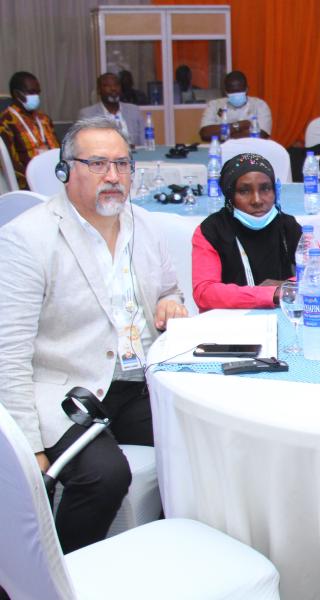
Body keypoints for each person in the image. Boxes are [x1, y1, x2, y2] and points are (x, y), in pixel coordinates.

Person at [0, 117, 188, 553]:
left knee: (198, 439)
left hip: (135, 381)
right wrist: (28, 447)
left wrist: (169, 303)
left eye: (122, 164)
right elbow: (8, 352)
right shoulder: (26, 239)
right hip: (65, 387)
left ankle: (165, 548)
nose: (113, 176)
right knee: (104, 475)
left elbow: (170, 290)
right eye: (98, 163)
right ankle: (59, 572)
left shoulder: (144, 224)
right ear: (66, 170)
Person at [191, 152, 320, 311]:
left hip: (283, 317)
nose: (257, 200)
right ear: (230, 196)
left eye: (265, 189)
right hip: (230, 320)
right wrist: (272, 293)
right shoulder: (212, 230)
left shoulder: (286, 225)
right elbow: (204, 293)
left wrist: (287, 287)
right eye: (244, 191)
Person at [0, 71, 59, 189]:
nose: (36, 96)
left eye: (38, 92)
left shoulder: (44, 118)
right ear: (17, 94)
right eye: (31, 92)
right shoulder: (6, 122)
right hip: (29, 183)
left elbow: (59, 149)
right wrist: (36, 177)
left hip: (56, 176)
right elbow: (8, 164)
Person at [199, 71, 272, 141]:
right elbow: (205, 134)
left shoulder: (259, 105)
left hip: (252, 148)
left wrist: (223, 132)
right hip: (222, 148)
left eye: (239, 91)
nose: (236, 94)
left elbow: (261, 135)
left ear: (247, 89)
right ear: (226, 91)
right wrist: (239, 125)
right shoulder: (214, 105)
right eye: (232, 91)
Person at [78, 73, 144, 147]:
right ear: (99, 90)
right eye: (107, 86)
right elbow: (85, 145)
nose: (113, 88)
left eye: (116, 85)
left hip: (134, 153)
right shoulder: (88, 115)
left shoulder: (134, 110)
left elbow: (144, 142)